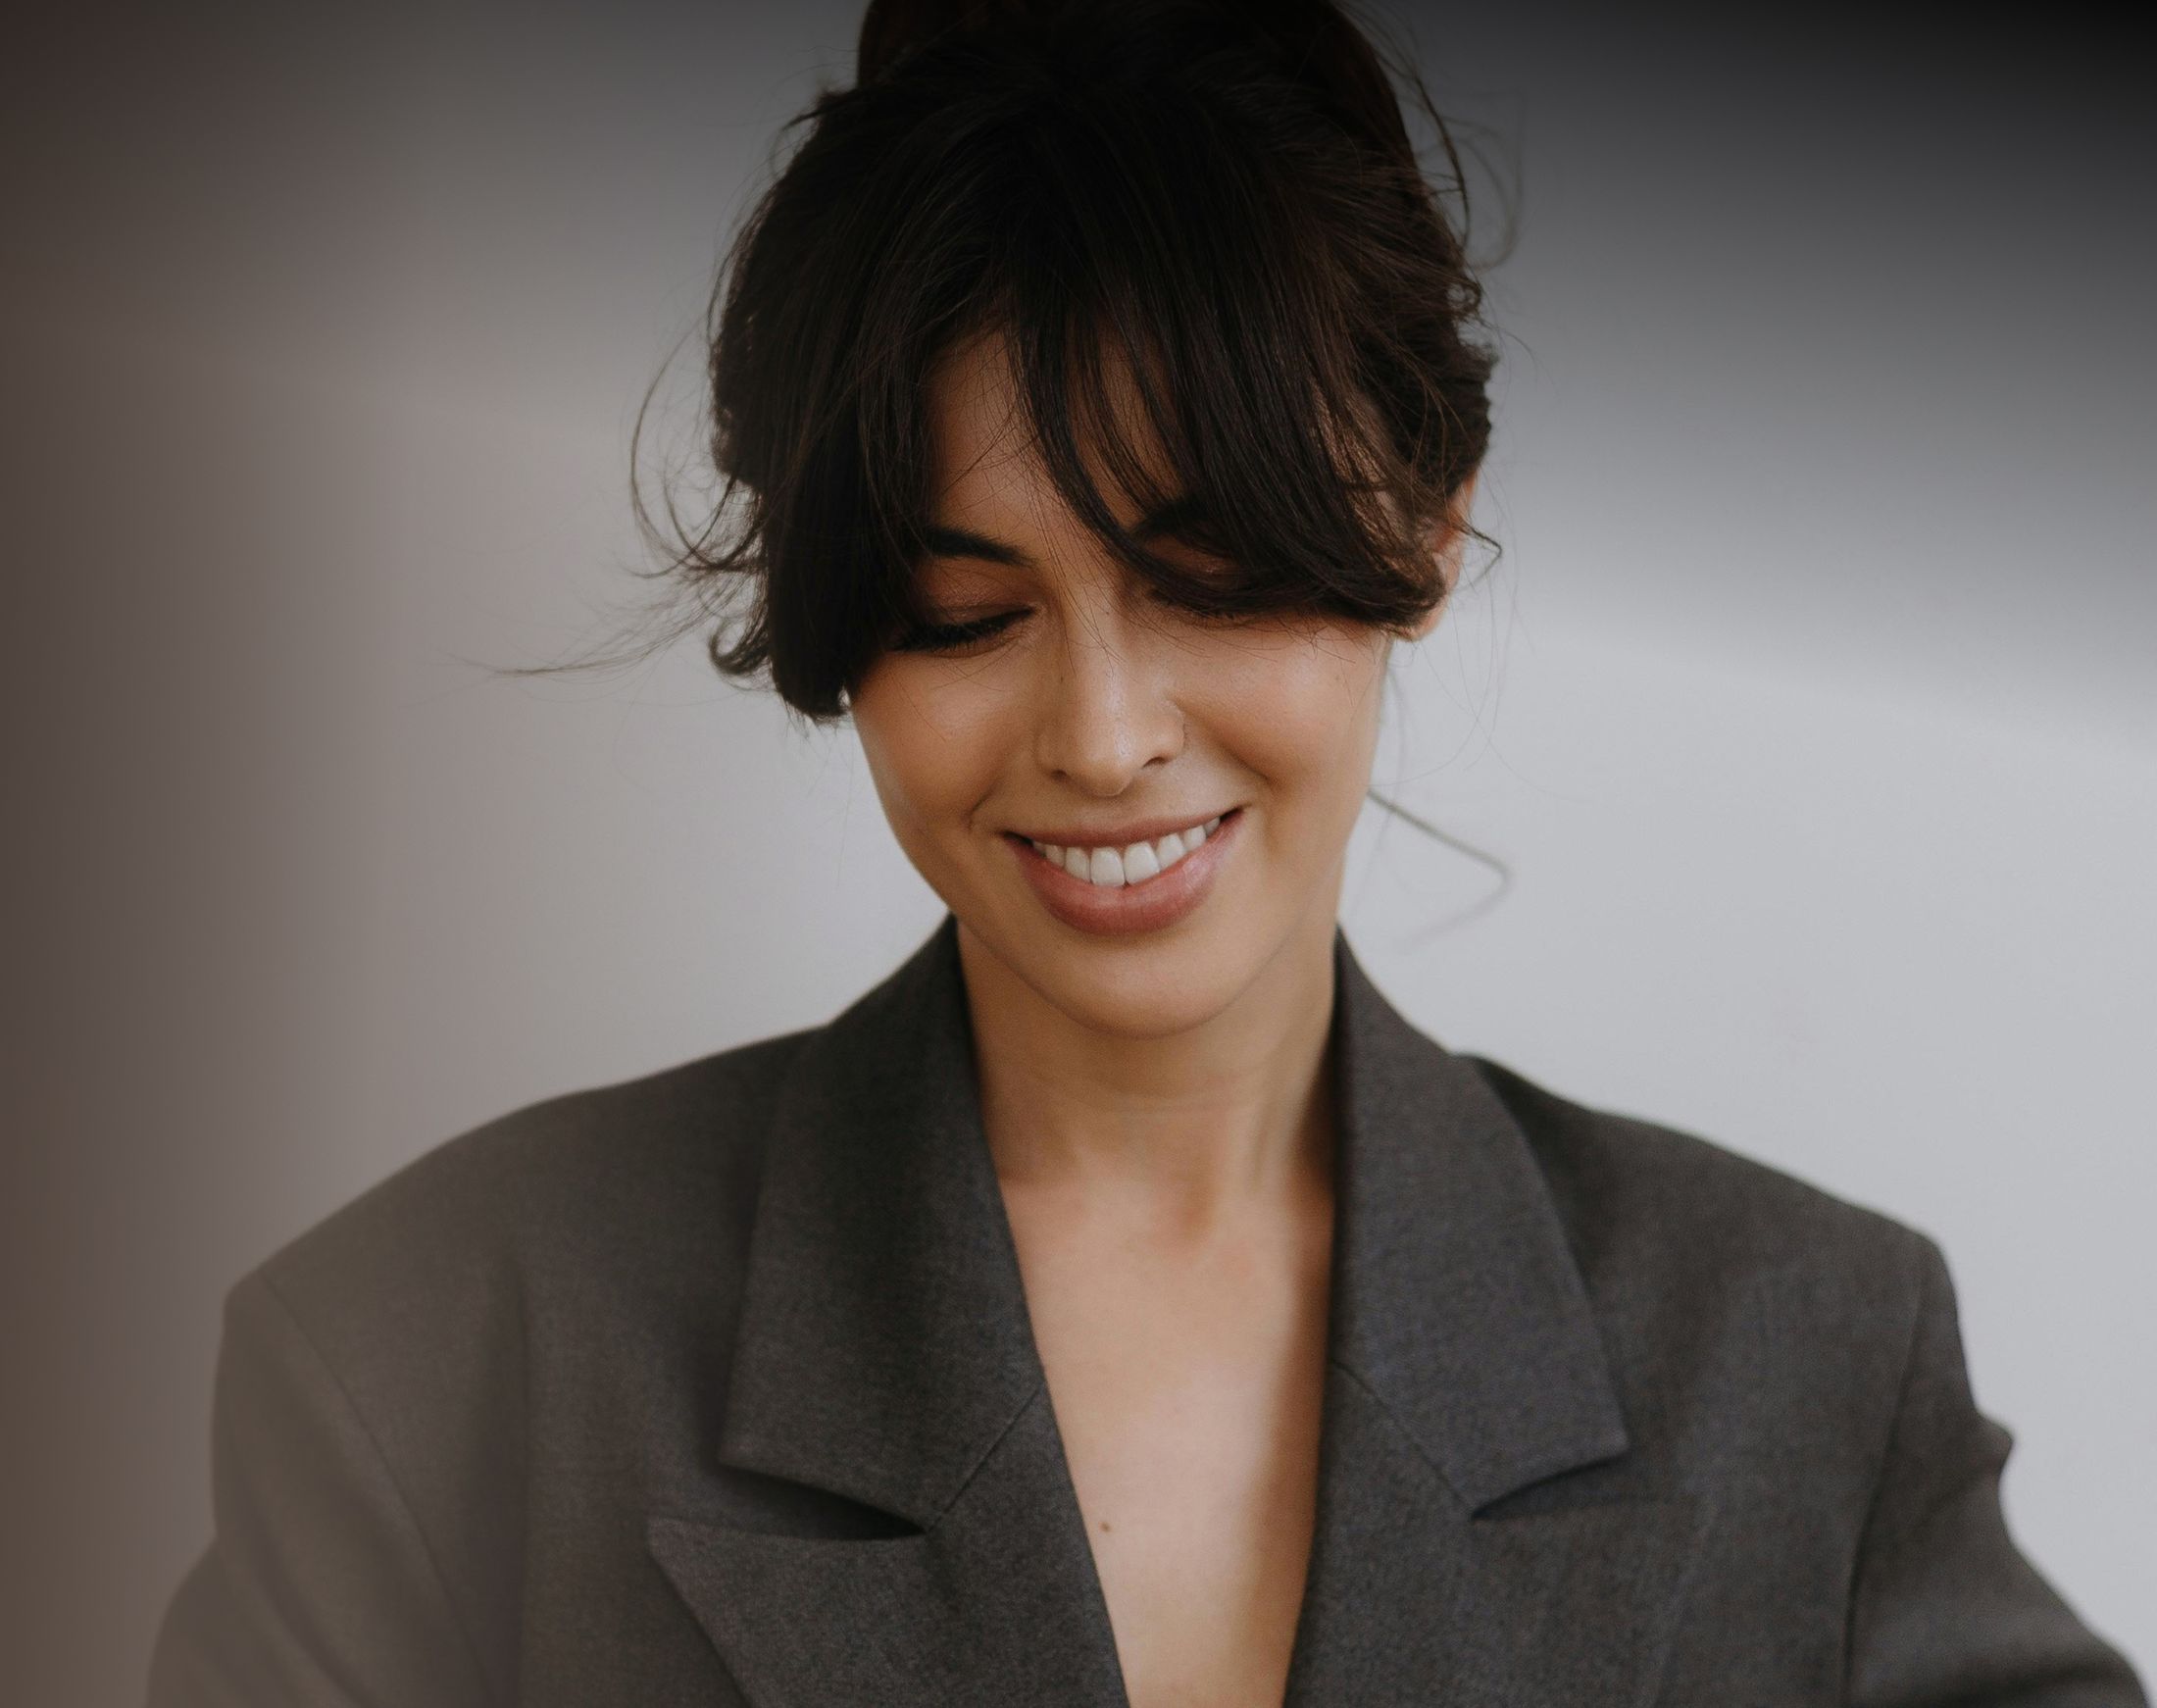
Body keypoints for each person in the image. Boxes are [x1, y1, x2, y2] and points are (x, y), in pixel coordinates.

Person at [145, 1, 2147, 1703]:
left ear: (1427, 523)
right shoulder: (426, 1367)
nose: (1100, 737)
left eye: (1202, 577)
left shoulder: (1802, 1363)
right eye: (961, 605)